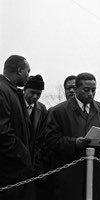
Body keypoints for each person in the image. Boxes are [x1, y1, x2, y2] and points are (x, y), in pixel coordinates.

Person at [45, 72, 100, 200]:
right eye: (86, 90)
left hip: (96, 173)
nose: (91, 94)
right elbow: (50, 140)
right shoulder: (58, 111)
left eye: (93, 90)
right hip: (69, 174)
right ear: (76, 89)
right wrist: (74, 143)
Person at [0, 55, 35, 200]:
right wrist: (23, 155)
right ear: (20, 70)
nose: (29, 75)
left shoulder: (11, 90)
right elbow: (3, 133)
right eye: (28, 71)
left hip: (15, 172)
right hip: (8, 172)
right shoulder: (3, 90)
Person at [23, 74, 49, 199]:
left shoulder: (42, 109)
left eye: (38, 94)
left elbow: (41, 140)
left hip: (34, 162)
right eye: (32, 92)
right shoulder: (15, 104)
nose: (35, 97)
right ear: (24, 90)